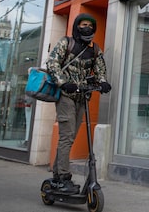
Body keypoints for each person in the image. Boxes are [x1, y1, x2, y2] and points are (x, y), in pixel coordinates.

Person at [46, 13, 111, 194]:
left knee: (71, 137)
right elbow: (52, 63)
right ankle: (63, 177)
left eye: (90, 25)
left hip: (82, 97)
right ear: (77, 26)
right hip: (66, 95)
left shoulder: (95, 50)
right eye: (83, 25)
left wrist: (103, 82)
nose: (86, 28)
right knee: (67, 136)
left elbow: (100, 69)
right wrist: (62, 82)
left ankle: (58, 173)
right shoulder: (66, 43)